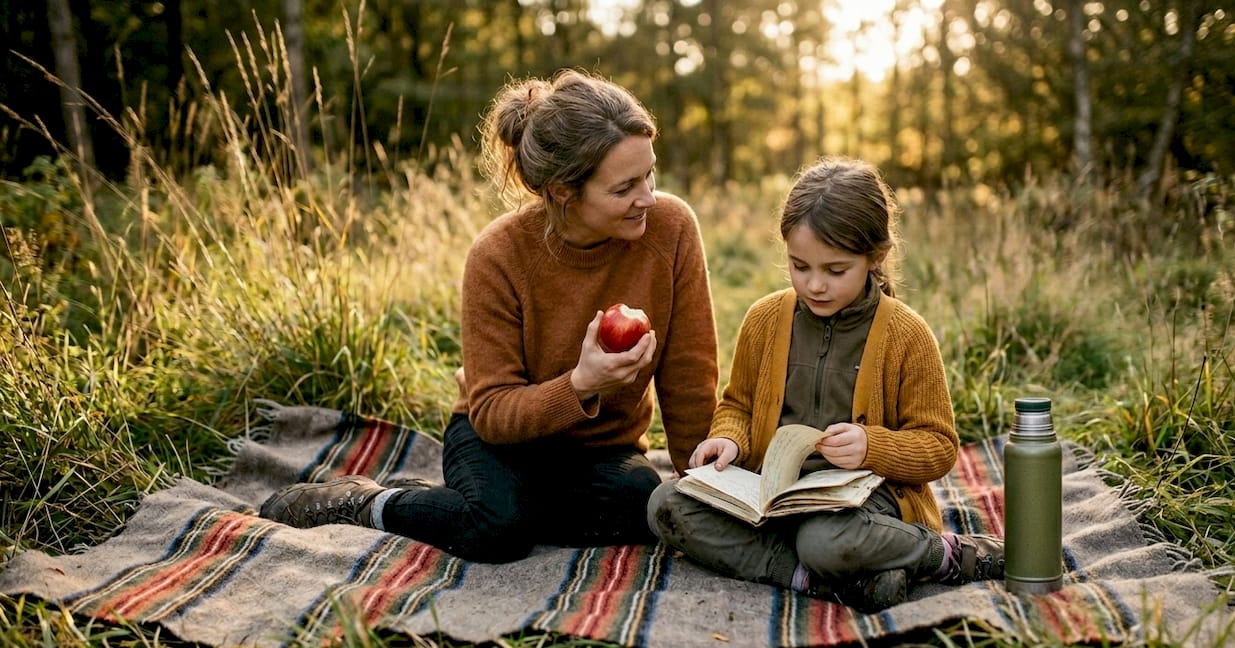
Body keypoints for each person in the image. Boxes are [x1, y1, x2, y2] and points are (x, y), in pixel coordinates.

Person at [259, 70, 720, 562]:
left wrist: (702, 483)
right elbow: (493, 412)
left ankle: (467, 506)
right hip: (498, 442)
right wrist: (581, 384)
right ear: (564, 191)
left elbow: (689, 371)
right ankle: (371, 503)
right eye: (625, 187)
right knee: (498, 530)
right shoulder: (498, 256)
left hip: (600, 450)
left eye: (650, 173)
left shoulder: (671, 228)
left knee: (642, 507)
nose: (647, 196)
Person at [646, 157, 1004, 611]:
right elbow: (737, 405)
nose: (814, 285)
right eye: (799, 266)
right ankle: (826, 580)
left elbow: (938, 447)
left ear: (875, 257)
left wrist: (871, 447)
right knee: (666, 503)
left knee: (824, 540)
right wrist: (728, 440)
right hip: (770, 499)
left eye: (835, 271)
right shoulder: (764, 319)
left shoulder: (906, 335)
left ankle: (946, 555)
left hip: (862, 506)